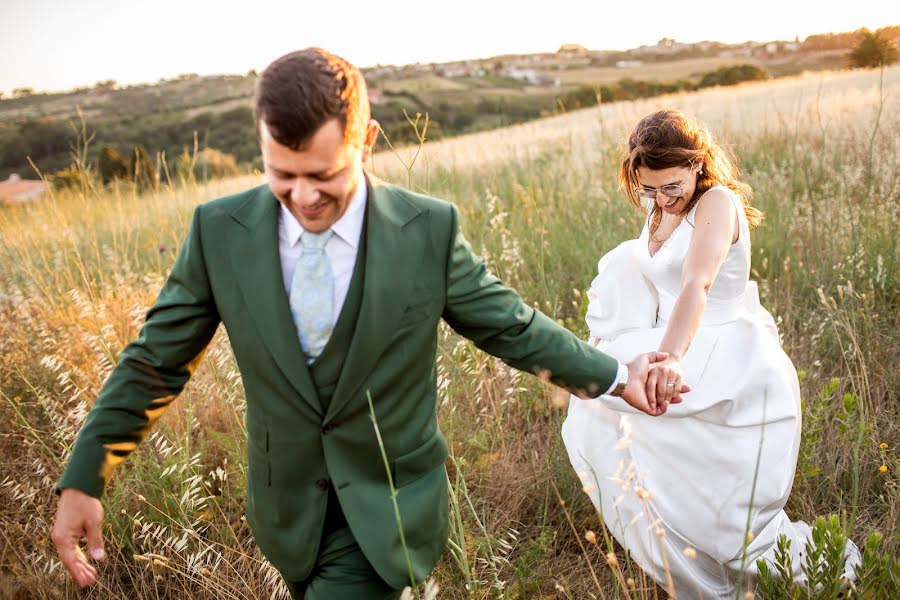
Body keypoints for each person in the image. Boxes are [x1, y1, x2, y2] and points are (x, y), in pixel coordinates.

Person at [51, 49, 688, 599]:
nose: (303, 197)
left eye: (324, 174)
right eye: (283, 174)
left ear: (369, 141)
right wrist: (86, 474)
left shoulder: (427, 231)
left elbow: (511, 325)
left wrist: (612, 376)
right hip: (286, 515)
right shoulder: (219, 232)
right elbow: (154, 362)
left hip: (390, 508)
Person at [562, 109, 859, 598]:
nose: (661, 200)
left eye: (671, 187)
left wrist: (671, 356)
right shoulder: (660, 205)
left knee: (715, 494)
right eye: (648, 189)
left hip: (716, 344)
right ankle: (676, 553)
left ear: (698, 165)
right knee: (603, 404)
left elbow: (696, 284)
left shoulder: (716, 203)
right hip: (670, 333)